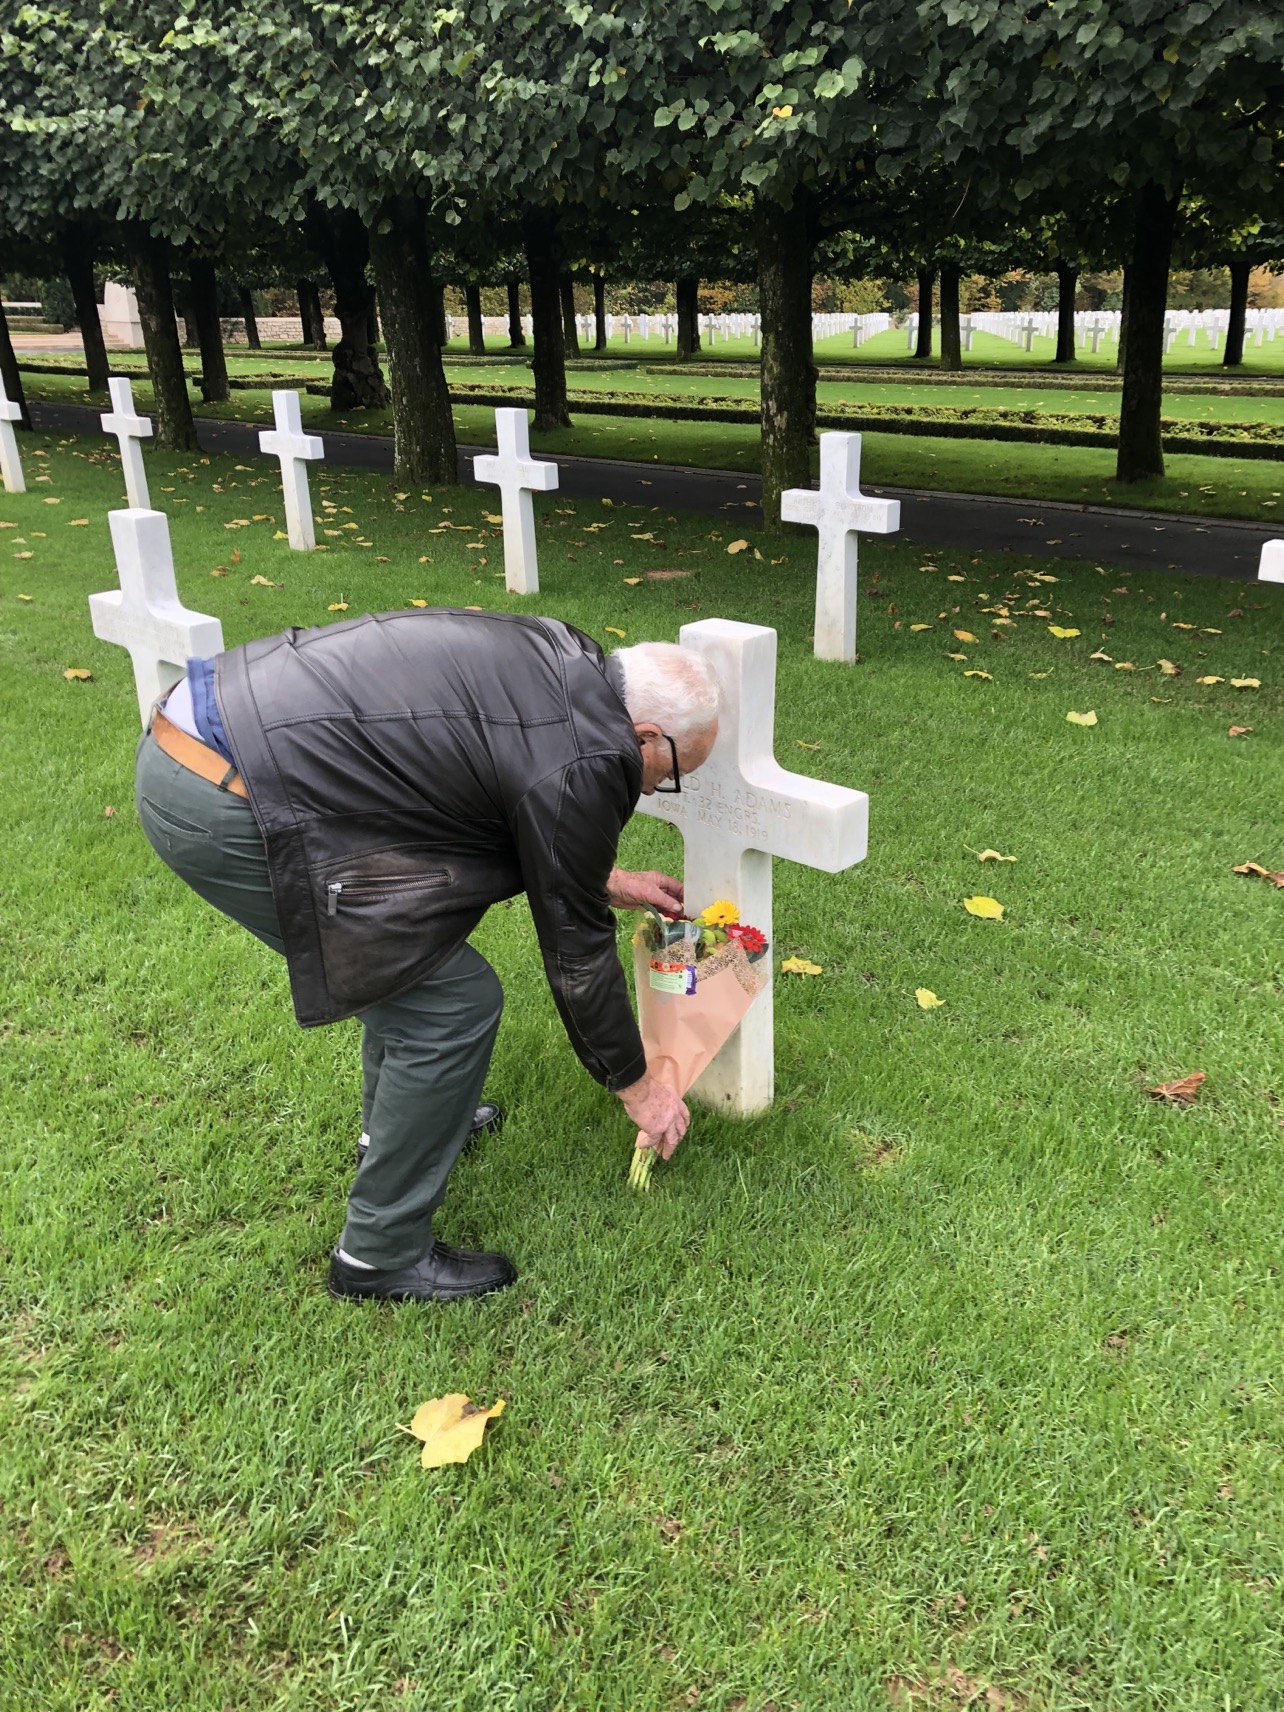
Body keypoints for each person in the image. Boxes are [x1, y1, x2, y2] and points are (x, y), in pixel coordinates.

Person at [134, 607, 721, 1304]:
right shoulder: (591, 750)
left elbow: (494, 787)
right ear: (646, 734)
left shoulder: (567, 660)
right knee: (448, 1005)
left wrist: (608, 877)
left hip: (206, 739)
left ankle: (401, 1131)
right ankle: (377, 1255)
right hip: (228, 797)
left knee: (410, 974)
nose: (654, 786)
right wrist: (640, 1088)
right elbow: (577, 950)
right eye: (670, 772)